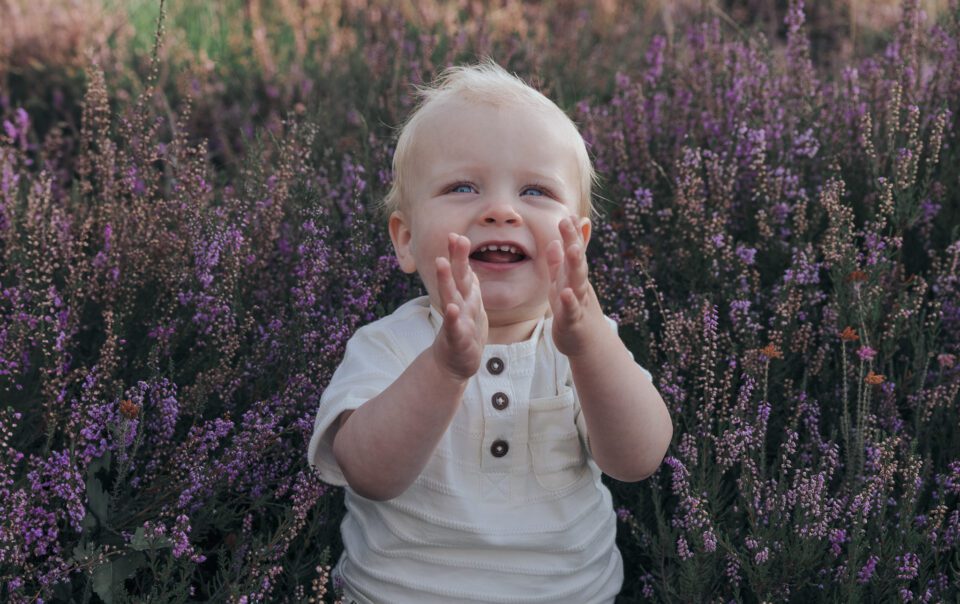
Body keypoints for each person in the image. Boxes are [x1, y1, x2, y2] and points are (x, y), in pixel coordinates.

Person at [307, 59, 672, 603]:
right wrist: (444, 368)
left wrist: (590, 346)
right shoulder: (388, 346)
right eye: (462, 186)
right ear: (406, 239)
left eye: (535, 192)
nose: (501, 211)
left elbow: (637, 458)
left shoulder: (585, 344)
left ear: (580, 237)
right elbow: (370, 473)